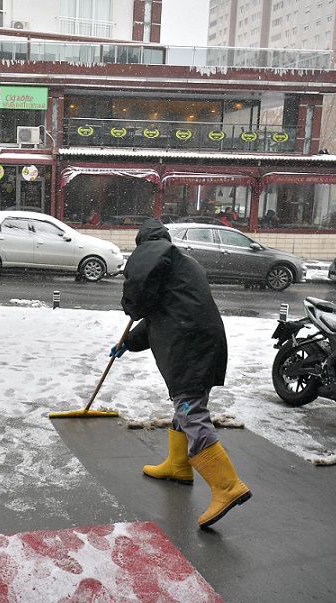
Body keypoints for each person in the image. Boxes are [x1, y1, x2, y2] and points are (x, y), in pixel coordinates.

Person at [111, 218, 251, 528]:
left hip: (189, 345)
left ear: (143, 243)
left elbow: (140, 300)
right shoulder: (182, 263)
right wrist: (129, 343)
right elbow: (162, 315)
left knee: (190, 409)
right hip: (204, 340)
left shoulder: (151, 256)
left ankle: (226, 486)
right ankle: (178, 465)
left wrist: (131, 305)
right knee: (187, 403)